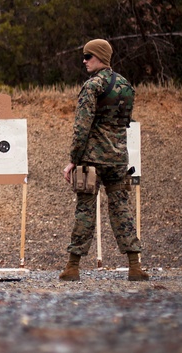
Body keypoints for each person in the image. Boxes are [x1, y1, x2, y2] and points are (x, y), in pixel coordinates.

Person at [59, 39, 149, 281]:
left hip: (91, 161)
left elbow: (81, 128)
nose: (84, 60)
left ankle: (73, 267)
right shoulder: (126, 86)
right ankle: (135, 266)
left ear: (99, 57)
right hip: (119, 159)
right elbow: (124, 122)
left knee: (85, 211)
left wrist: (73, 160)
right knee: (122, 210)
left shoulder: (92, 87)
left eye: (88, 56)